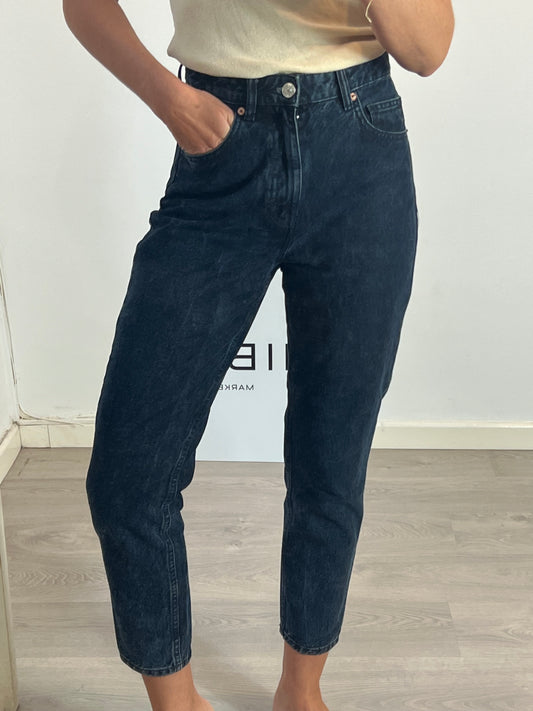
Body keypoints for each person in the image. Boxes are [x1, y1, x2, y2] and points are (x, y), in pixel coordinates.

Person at [62, 2, 455, 710]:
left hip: (359, 148)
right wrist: (169, 98)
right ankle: (177, 704)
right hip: (219, 143)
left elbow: (426, 51)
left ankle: (301, 691)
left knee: (330, 463)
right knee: (128, 476)